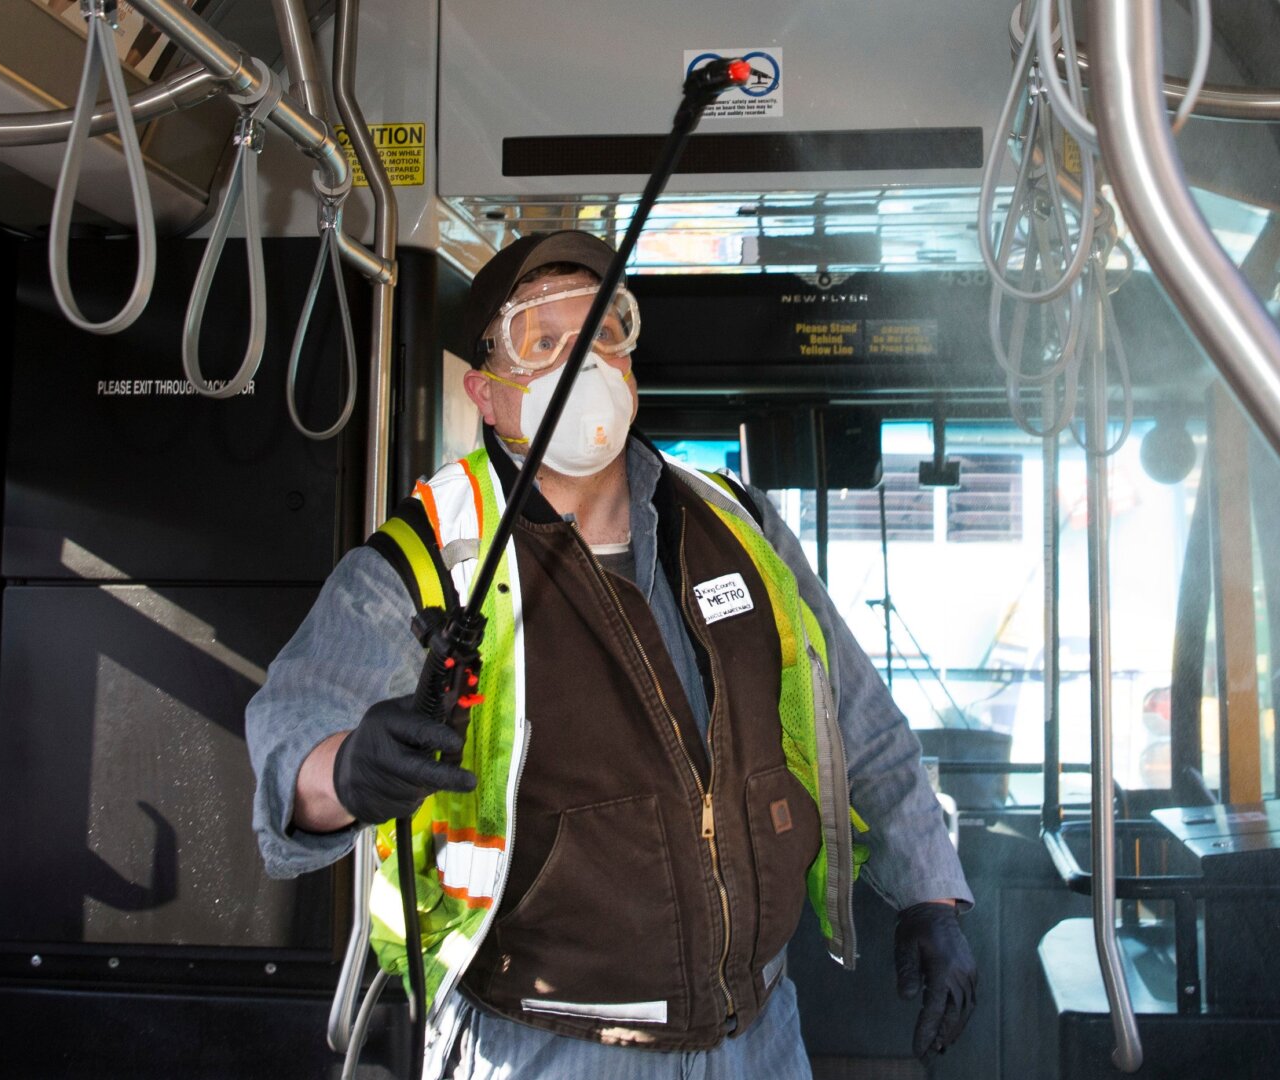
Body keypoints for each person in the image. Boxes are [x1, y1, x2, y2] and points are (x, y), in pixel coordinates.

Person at [246, 230, 977, 1079]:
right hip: (549, 1045)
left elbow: (855, 717)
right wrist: (347, 772)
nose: (582, 362)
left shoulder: (738, 526)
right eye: (542, 342)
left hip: (764, 1034)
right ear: (486, 395)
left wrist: (931, 893)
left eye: (602, 333)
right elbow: (291, 729)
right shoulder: (431, 556)